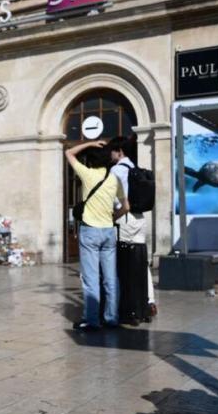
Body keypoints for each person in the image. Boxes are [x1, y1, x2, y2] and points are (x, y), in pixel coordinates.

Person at [65, 140, 129, 331]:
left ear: (91, 161)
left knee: (91, 279)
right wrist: (113, 216)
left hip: (90, 230)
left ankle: (92, 320)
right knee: (110, 278)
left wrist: (90, 143)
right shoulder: (113, 179)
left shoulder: (88, 174)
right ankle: (111, 318)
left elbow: (69, 153)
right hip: (109, 231)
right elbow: (126, 207)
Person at [108, 136, 158, 324]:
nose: (110, 155)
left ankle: (129, 308)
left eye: (112, 151)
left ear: (119, 151)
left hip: (124, 219)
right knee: (141, 262)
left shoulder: (117, 170)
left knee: (125, 264)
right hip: (140, 219)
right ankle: (149, 302)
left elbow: (114, 197)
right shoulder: (135, 169)